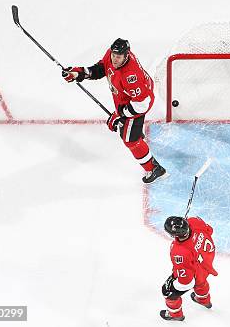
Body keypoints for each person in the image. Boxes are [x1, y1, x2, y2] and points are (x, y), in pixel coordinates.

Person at [62, 38, 167, 184]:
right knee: (127, 129)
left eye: (118, 57)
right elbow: (101, 69)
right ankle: (135, 131)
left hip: (138, 102)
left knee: (130, 140)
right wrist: (79, 73)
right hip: (127, 98)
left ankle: (155, 168)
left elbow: (142, 104)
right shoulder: (112, 56)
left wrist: (121, 116)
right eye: (113, 55)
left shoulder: (131, 76)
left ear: (126, 55)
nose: (114, 59)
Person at [160, 216, 218, 321]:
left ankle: (175, 315)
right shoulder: (194, 221)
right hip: (206, 260)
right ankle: (203, 300)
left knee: (167, 292)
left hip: (196, 269)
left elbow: (186, 281)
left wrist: (173, 286)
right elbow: (210, 230)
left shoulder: (179, 252)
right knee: (201, 281)